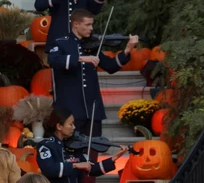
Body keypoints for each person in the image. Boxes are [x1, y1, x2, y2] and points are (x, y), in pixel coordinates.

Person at [49, 9, 139, 139]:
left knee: (94, 146)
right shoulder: (61, 43)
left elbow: (111, 66)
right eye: (87, 25)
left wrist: (127, 50)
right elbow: (53, 60)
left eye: (92, 24)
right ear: (76, 24)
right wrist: (80, 58)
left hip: (92, 108)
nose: (91, 28)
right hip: (71, 108)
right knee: (72, 148)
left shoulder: (92, 46)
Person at [35, 106, 127, 183]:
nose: (74, 127)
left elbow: (92, 168)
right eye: (70, 124)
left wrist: (114, 158)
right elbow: (49, 169)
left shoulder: (73, 147)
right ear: (59, 126)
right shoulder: (46, 146)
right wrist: (75, 165)